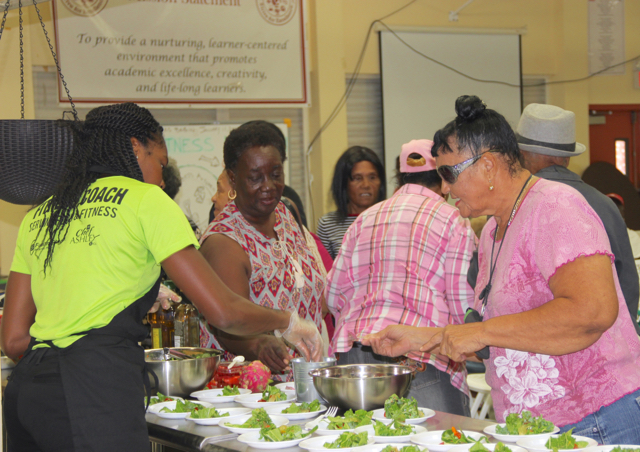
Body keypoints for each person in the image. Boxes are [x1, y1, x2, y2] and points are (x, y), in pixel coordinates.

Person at [1, 103, 322, 452]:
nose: (161, 177)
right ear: (137, 147)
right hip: (95, 391)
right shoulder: (146, 200)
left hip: (27, 395)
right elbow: (224, 312)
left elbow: (14, 340)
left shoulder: (44, 212)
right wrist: (287, 321)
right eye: (161, 162)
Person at [363, 96, 640, 444]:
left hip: (595, 420)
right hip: (540, 429)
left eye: (448, 174)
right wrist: (424, 338)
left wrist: (482, 332)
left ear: (489, 165)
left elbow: (593, 311)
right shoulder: (494, 229)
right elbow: (498, 335)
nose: (445, 190)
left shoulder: (556, 206)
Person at [326, 139, 476, 415]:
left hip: (354, 362)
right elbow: (462, 306)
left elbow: (333, 295)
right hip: (419, 360)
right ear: (444, 179)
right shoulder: (454, 221)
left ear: (401, 176)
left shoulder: (365, 219)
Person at [199, 121, 327, 380]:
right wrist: (258, 345)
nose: (268, 185)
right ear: (233, 178)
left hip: (302, 381)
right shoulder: (224, 241)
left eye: (276, 174)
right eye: (256, 177)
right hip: (248, 389)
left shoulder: (285, 213)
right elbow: (227, 325)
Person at [517, 103, 640, 335]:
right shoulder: (605, 205)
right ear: (568, 158)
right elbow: (628, 284)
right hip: (604, 342)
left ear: (522, 156)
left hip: (540, 343)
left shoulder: (520, 204)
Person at [317, 146, 386, 259]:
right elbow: (325, 270)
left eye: (372, 177)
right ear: (344, 183)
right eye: (357, 178)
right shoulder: (328, 224)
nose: (366, 185)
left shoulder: (390, 219)